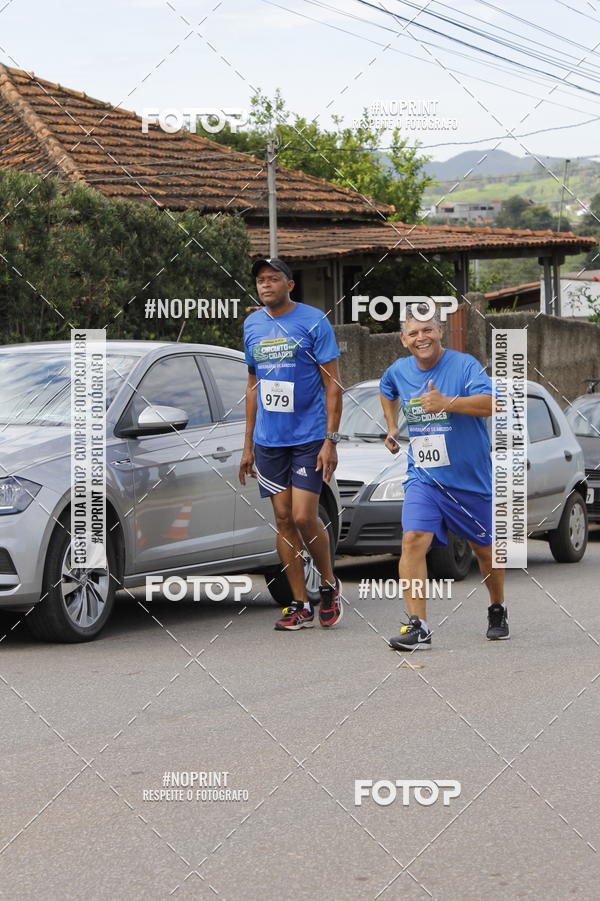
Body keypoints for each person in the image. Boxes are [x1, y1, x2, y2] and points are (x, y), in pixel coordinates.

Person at [379, 304, 509, 649]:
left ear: (440, 333)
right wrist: (392, 426)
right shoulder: (399, 370)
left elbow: (494, 403)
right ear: (403, 340)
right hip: (424, 476)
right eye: (414, 332)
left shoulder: (463, 364)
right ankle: (418, 626)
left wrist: (446, 402)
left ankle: (497, 607)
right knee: (413, 540)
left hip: (468, 480)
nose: (421, 337)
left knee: (484, 551)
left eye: (428, 330)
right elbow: (386, 388)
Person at [239, 257, 344, 631]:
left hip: (308, 435)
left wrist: (330, 440)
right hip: (270, 440)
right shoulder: (252, 324)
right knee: (282, 519)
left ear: (290, 284)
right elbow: (253, 386)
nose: (265, 285)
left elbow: (333, 383)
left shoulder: (313, 320)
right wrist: (248, 444)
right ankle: (299, 603)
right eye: (260, 280)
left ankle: (329, 584)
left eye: (273, 279)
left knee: (303, 515)